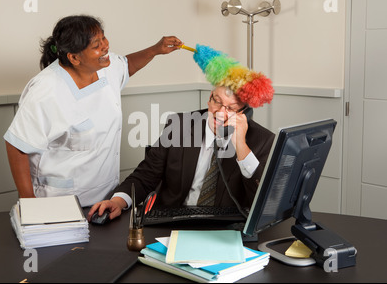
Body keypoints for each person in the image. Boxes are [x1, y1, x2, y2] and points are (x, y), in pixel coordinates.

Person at [4, 15, 182, 208]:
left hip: (106, 199)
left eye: (104, 38)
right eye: (97, 44)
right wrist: (30, 205)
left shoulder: (105, 65)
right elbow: (18, 146)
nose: (105, 46)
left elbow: (126, 66)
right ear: (74, 57)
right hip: (59, 202)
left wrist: (156, 50)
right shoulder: (46, 89)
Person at [88, 85, 275, 221]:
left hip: (227, 229)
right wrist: (119, 201)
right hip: (173, 223)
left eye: (231, 108)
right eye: (216, 101)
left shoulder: (262, 141)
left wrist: (241, 146)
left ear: (245, 112)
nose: (219, 113)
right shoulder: (179, 126)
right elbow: (145, 176)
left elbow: (264, 203)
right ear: (210, 96)